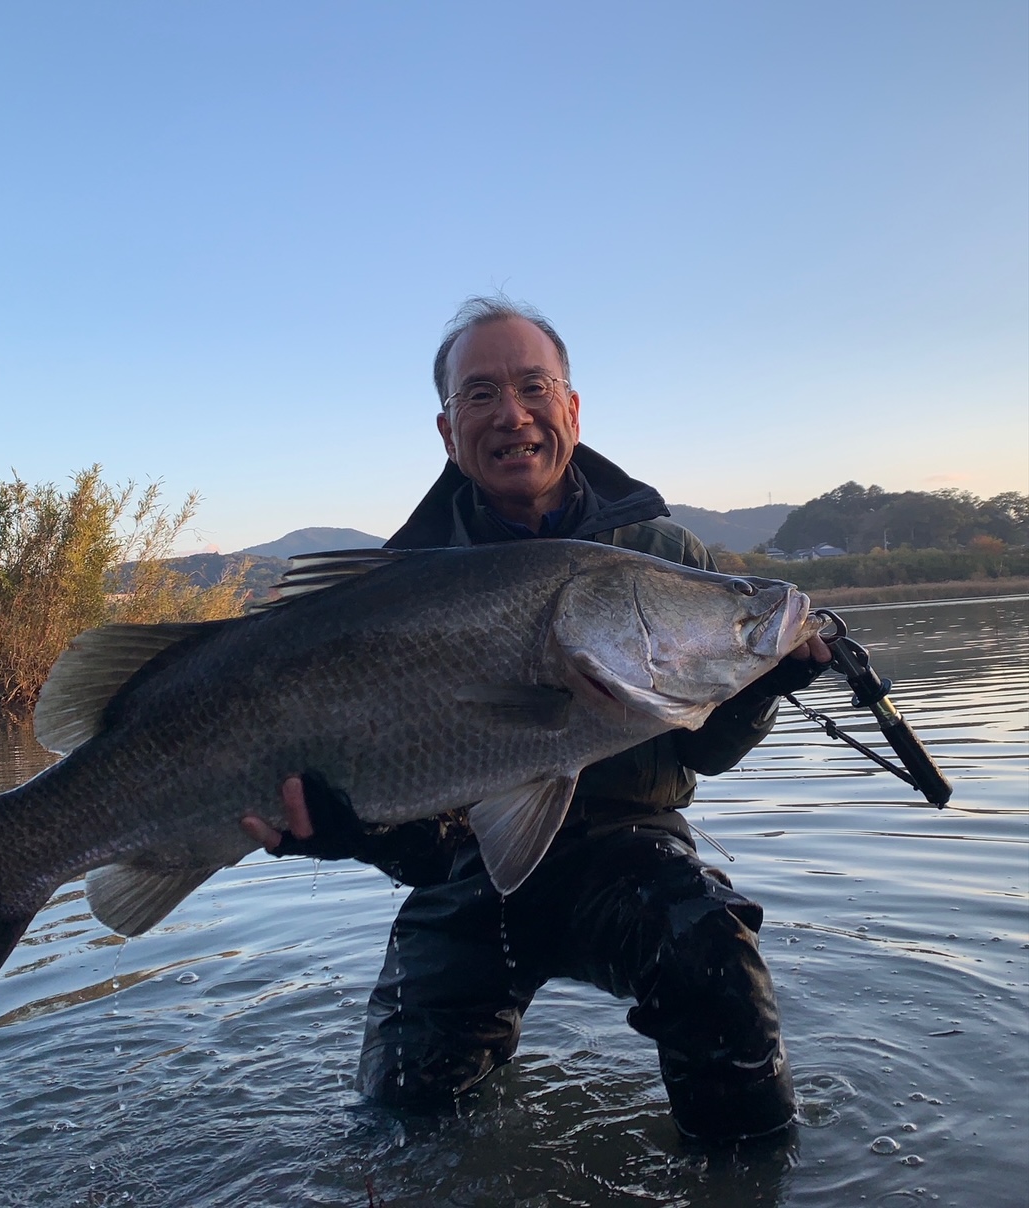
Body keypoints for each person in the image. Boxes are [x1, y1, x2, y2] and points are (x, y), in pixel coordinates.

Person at [241, 297, 830, 1143]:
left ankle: (748, 1177)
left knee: (714, 959)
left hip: (632, 848)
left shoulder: (666, 557)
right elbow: (423, 834)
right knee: (398, 1111)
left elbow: (707, 751)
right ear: (447, 432)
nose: (511, 414)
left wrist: (761, 687)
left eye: (532, 386)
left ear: (572, 409)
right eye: (480, 395)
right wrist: (351, 833)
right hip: (467, 869)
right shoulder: (396, 582)